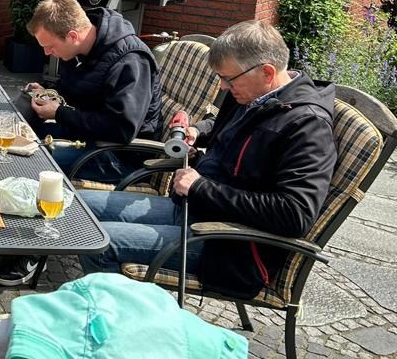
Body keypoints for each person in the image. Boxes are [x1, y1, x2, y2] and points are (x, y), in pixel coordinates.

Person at [78, 20, 337, 300]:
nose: (223, 87)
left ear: (267, 72)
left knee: (99, 241)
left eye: (229, 79)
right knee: (80, 205)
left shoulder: (307, 126)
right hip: (193, 209)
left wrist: (201, 187)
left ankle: (119, 320)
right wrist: (197, 132)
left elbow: (294, 214)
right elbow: (233, 128)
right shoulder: (255, 95)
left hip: (228, 246)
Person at [0, 0, 161, 287]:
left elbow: (121, 128)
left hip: (120, 156)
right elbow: (80, 91)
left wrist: (59, 112)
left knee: (40, 167)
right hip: (88, 137)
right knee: (19, 142)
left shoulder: (131, 60)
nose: (47, 53)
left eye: (50, 46)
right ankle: (4, 224)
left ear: (72, 35)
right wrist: (48, 90)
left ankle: (33, 251)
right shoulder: (82, 49)